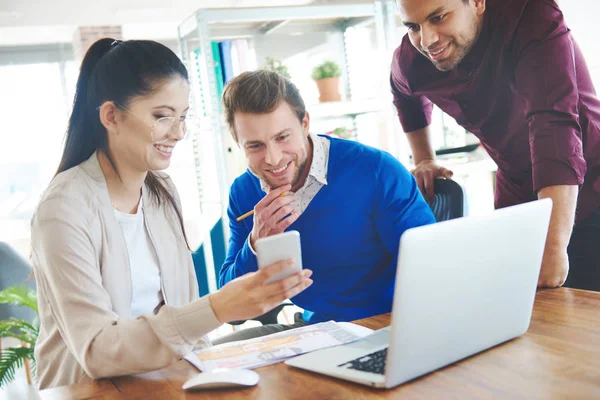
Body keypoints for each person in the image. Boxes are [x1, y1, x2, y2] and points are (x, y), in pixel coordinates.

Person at [30, 38, 313, 389]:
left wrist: (213, 378)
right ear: (111, 116)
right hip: (91, 392)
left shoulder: (161, 193)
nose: (178, 133)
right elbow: (99, 351)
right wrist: (218, 308)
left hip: (170, 384)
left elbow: (186, 323)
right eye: (162, 116)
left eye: (183, 117)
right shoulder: (63, 209)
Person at [391, 0, 600, 291]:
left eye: (439, 17)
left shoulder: (530, 15)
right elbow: (403, 92)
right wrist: (424, 157)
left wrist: (551, 246)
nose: (427, 41)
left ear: (477, 3)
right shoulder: (411, 59)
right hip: (517, 198)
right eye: (413, 27)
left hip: (589, 180)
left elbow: (553, 125)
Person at [215, 70, 435, 344]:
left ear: (305, 123)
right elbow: (230, 310)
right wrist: (256, 241)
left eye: (283, 137)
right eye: (255, 146)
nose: (272, 159)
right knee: (206, 360)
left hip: (384, 327)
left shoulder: (376, 171)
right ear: (238, 144)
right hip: (312, 332)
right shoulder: (244, 193)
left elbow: (432, 270)